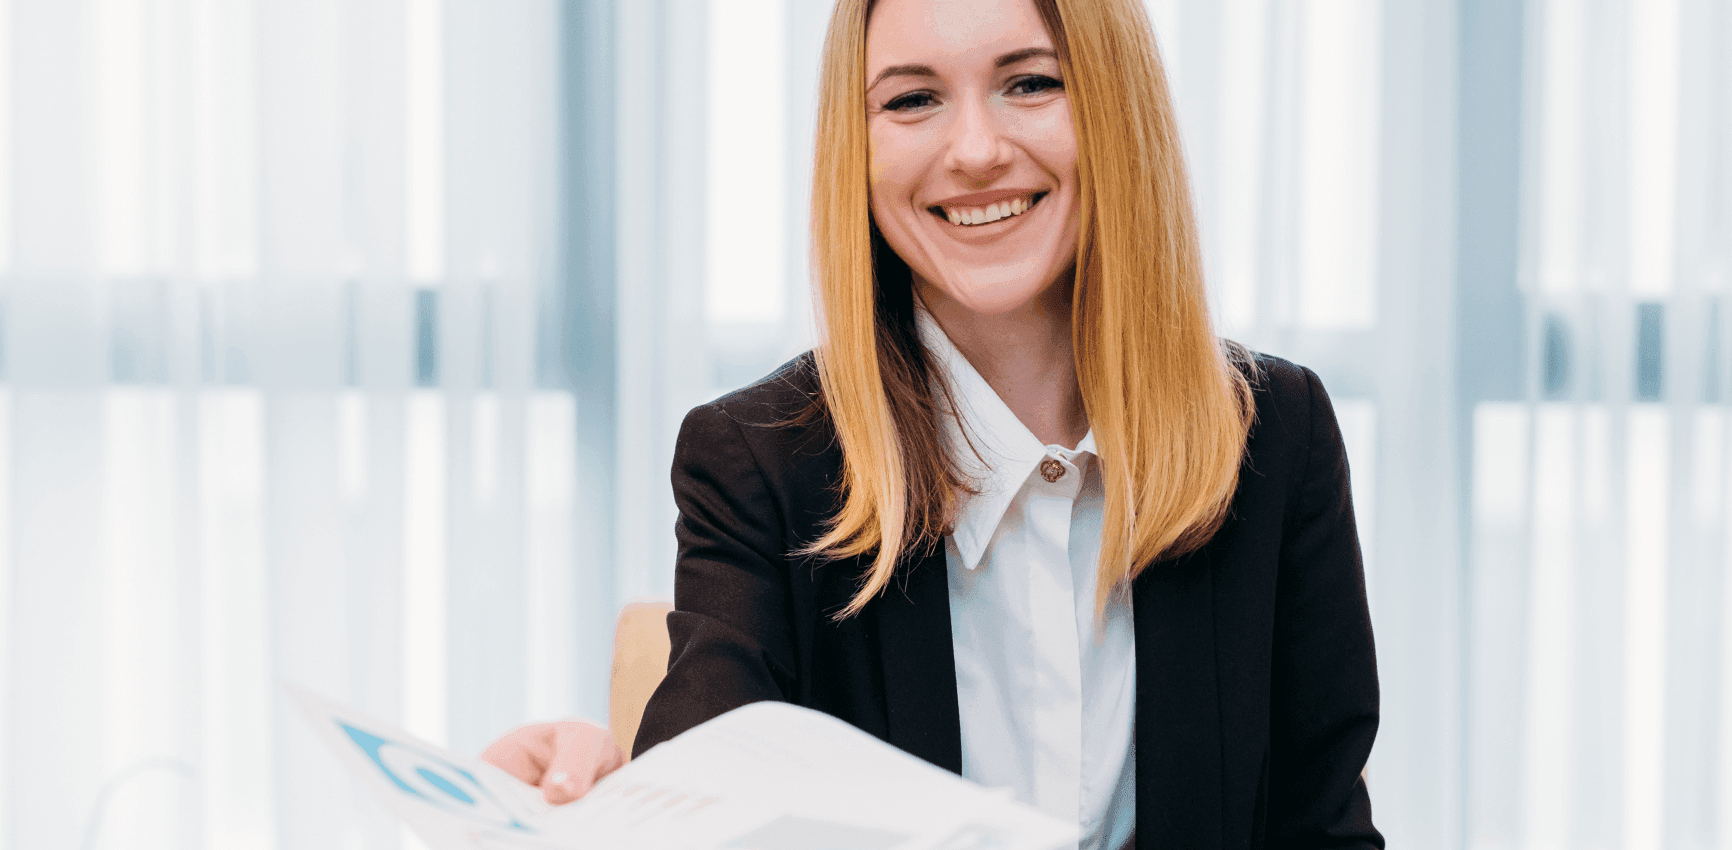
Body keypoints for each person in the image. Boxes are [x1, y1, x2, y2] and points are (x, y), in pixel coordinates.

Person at [484, 0, 1382, 846]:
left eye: (1030, 82)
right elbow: (705, 793)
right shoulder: (759, 466)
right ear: (859, 146)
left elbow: (1322, 829)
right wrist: (605, 812)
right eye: (912, 99)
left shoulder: (1275, 439)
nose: (977, 150)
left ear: (1115, 102)